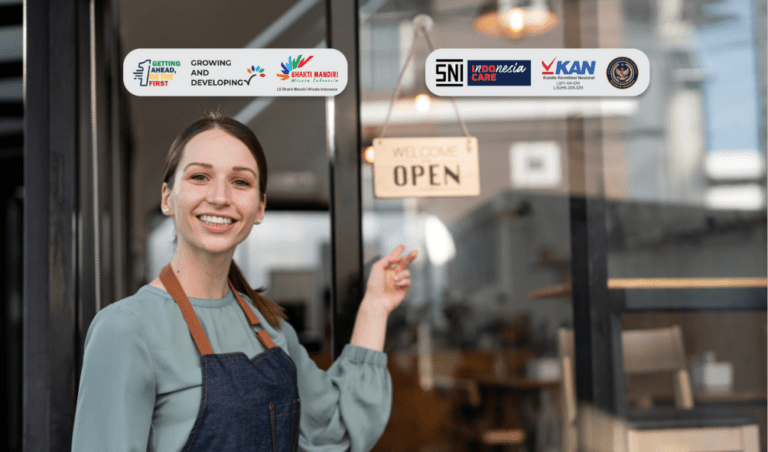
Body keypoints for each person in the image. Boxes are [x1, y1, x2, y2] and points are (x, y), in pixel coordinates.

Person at [71, 113, 417, 452]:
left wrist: (374, 307)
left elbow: (334, 430)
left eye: (240, 182)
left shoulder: (269, 328)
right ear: (167, 198)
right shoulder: (127, 329)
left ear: (260, 207)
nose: (220, 197)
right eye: (200, 177)